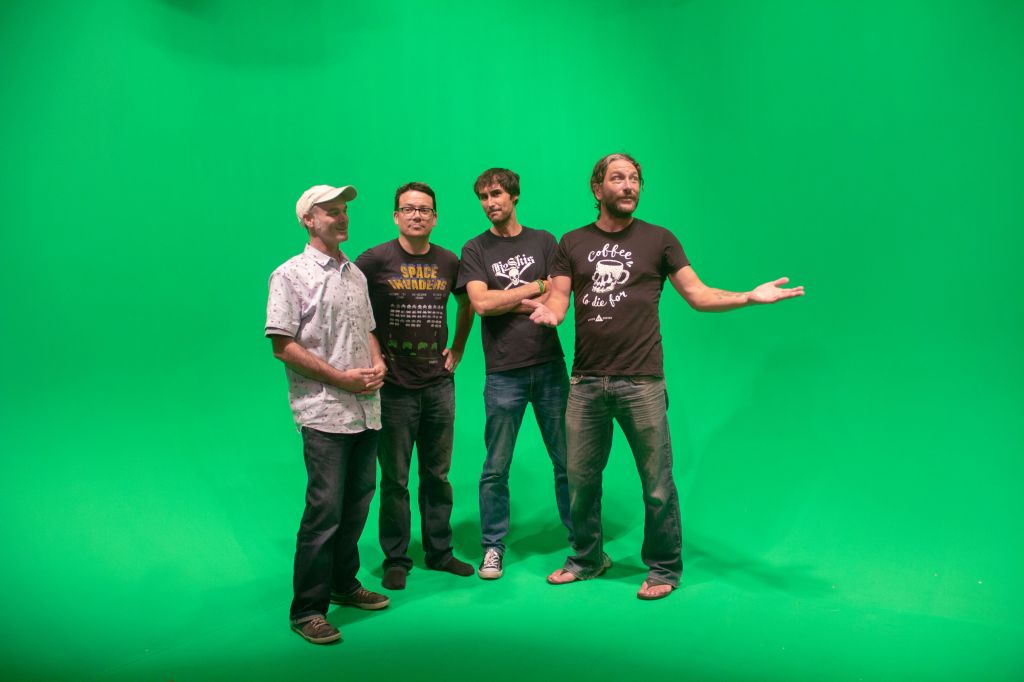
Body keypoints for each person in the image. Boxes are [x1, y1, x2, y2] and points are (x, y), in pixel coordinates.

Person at [525, 153, 804, 600]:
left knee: (656, 483)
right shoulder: (572, 242)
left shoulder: (659, 240)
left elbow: (698, 294)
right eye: (618, 178)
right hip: (586, 382)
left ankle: (664, 569)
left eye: (635, 179)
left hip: (643, 382)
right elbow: (560, 297)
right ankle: (586, 559)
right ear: (597, 188)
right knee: (580, 480)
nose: (629, 186)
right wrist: (551, 314)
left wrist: (749, 297)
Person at [266, 184, 391, 645]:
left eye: (344, 211)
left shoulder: (354, 274)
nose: (342, 218)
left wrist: (378, 362)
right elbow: (283, 346)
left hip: (366, 410)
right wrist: (342, 379)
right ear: (308, 219)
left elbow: (369, 329)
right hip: (324, 412)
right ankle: (307, 610)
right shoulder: (289, 275)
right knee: (325, 510)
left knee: (357, 503)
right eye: (331, 212)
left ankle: (343, 582)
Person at [355, 182, 475, 590]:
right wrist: (375, 355)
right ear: (396, 217)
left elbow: (467, 303)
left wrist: (459, 346)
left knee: (437, 475)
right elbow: (355, 310)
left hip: (439, 385)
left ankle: (439, 552)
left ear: (435, 218)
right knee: (395, 480)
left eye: (424, 209)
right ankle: (396, 558)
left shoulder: (448, 260)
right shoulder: (375, 260)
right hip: (393, 389)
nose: (417, 215)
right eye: (408, 209)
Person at [456, 168, 572, 580]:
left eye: (496, 194)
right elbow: (481, 305)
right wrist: (533, 288)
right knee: (496, 467)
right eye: (483, 197)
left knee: (569, 462)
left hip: (550, 367)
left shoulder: (544, 241)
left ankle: (583, 544)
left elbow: (559, 294)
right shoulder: (475, 248)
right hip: (503, 373)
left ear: (514, 196)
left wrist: (507, 297)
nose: (490, 202)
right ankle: (492, 547)